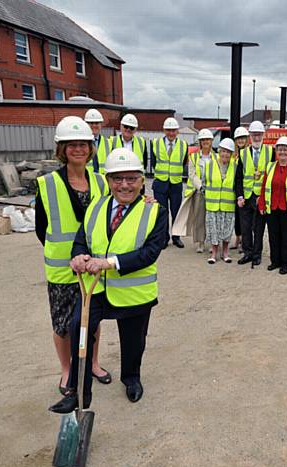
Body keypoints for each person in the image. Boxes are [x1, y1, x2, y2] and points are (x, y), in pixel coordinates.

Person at [48, 148, 168, 413]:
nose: (124, 185)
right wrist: (78, 255)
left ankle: (131, 378)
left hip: (134, 293)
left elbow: (150, 252)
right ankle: (78, 393)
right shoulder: (97, 205)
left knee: (134, 338)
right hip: (96, 289)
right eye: (117, 179)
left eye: (131, 178)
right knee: (80, 329)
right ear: (109, 180)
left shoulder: (154, 211)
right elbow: (83, 238)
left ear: (141, 180)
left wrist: (109, 263)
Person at [35, 116, 111, 398]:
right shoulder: (47, 183)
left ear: (91, 148)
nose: (78, 149)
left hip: (93, 267)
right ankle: (67, 370)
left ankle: (92, 363)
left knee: (92, 319)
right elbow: (41, 229)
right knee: (63, 323)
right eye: (72, 144)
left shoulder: (102, 182)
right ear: (62, 149)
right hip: (62, 268)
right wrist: (68, 254)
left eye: (83, 144)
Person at [258, 136, 287, 274]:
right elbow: (264, 187)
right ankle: (275, 261)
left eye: (285, 150)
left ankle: (286, 262)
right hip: (272, 208)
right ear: (276, 152)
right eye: (280, 150)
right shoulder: (270, 166)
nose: (282, 152)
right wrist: (262, 204)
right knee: (274, 236)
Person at [235, 121, 274, 266]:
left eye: (259, 134)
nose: (256, 137)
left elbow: (272, 177)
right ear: (250, 136)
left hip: (260, 197)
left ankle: (257, 254)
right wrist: (239, 196)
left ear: (263, 135)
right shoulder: (243, 153)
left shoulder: (271, 152)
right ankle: (248, 253)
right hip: (246, 196)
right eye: (254, 135)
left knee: (258, 228)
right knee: (245, 228)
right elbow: (238, 177)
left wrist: (264, 197)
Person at [150, 117, 189, 248]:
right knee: (162, 212)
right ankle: (164, 238)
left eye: (173, 130)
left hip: (176, 183)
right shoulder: (155, 143)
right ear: (164, 130)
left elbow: (183, 162)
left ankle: (176, 237)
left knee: (176, 211)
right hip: (161, 183)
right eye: (168, 130)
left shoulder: (183, 145)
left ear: (177, 131)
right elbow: (154, 162)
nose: (171, 133)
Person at [204, 138, 237, 264]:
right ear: (219, 151)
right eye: (223, 151)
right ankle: (213, 253)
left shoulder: (235, 166)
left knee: (227, 230)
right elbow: (204, 182)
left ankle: (225, 253)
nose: (225, 154)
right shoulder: (209, 164)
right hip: (212, 204)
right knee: (213, 230)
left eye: (228, 152)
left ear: (232, 154)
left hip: (228, 205)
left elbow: (236, 185)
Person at [184, 128, 213, 252]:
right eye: (203, 140)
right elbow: (192, 174)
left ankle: (213, 243)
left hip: (213, 192)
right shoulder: (194, 157)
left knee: (212, 218)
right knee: (199, 218)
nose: (205, 142)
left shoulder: (216, 156)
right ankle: (201, 243)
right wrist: (200, 186)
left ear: (211, 141)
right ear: (200, 142)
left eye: (207, 139)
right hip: (199, 192)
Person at [231, 126, 249, 251]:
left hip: (246, 189)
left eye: (243, 138)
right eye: (238, 139)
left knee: (245, 217)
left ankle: (245, 240)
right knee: (237, 216)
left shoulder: (249, 154)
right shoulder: (233, 156)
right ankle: (237, 238)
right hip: (234, 190)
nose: (240, 141)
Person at [84, 108, 110, 174]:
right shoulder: (80, 143)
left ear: (101, 124)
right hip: (86, 181)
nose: (94, 125)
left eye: (96, 123)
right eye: (91, 123)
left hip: (103, 181)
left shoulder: (109, 143)